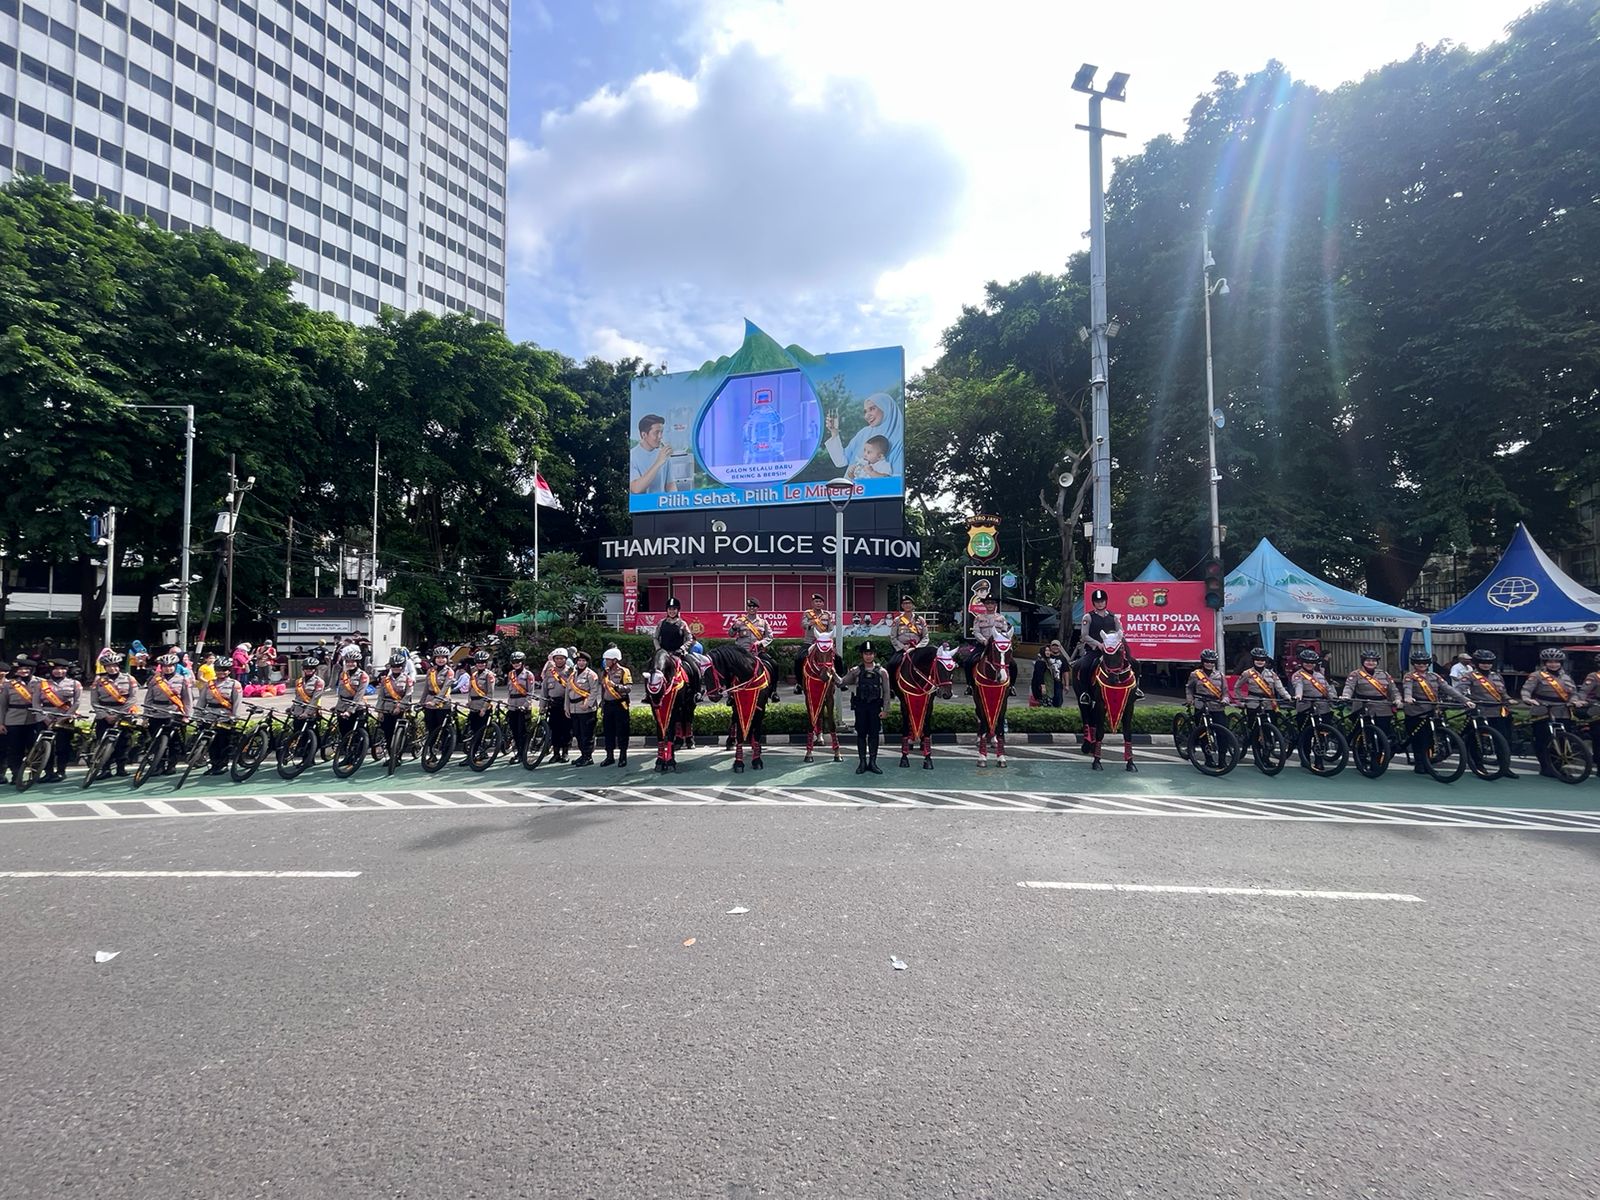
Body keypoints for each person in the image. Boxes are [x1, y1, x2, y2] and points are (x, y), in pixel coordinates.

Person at [1402, 650, 1474, 774]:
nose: (1422, 665)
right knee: (1418, 738)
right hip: (1416, 710)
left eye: (1424, 663)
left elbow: (1448, 689)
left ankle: (1428, 760)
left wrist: (1465, 700)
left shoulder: (1434, 676)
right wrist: (1408, 697)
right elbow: (1407, 688)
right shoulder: (1409, 676)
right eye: (1419, 663)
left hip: (1432, 709)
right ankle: (1419, 762)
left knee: (1430, 737)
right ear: (1414, 664)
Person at [1460, 649, 1520, 776]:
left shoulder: (1496, 676)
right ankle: (1478, 764)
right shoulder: (1469, 676)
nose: (1485, 665)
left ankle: (1504, 767)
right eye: (1482, 662)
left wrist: (1509, 699)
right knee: (1477, 740)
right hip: (1479, 711)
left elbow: (1503, 693)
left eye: (1488, 662)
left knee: (1503, 740)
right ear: (1476, 663)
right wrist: (1466, 700)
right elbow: (1460, 690)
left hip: (1497, 711)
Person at [1521, 647, 1579, 777]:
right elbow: (1526, 690)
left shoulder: (1566, 677)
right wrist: (1527, 699)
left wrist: (1574, 701)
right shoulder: (1536, 676)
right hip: (1542, 709)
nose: (1553, 664)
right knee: (1543, 740)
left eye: (1556, 662)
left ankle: (1559, 766)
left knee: (1563, 740)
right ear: (1544, 663)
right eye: (1550, 662)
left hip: (1562, 710)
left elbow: (1573, 693)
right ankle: (1546, 767)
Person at [836, 641, 891, 774]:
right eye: (866, 654)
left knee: (874, 735)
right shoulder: (856, 671)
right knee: (861, 735)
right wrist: (832, 673)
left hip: (875, 707)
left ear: (874, 655)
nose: (868, 656)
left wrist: (886, 710)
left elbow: (886, 692)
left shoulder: (882, 672)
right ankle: (862, 763)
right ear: (862, 655)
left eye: (870, 653)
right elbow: (841, 682)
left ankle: (872, 762)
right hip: (861, 707)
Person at [825, 391, 904, 476]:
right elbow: (841, 462)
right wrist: (834, 432)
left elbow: (897, 480)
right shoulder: (864, 433)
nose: (866, 416)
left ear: (886, 408)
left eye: (872, 409)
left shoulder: (901, 439)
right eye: (865, 411)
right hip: (853, 488)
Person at [142, 652, 193, 775]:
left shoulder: (182, 680)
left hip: (174, 713)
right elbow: (148, 698)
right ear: (161, 667)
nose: (168, 668)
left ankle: (171, 765)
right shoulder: (155, 680)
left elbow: (187, 699)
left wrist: (187, 716)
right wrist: (146, 715)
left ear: (175, 666)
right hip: (157, 712)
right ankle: (158, 765)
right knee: (156, 741)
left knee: (174, 742)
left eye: (171, 666)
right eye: (165, 666)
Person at [90, 648, 138, 777]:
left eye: (114, 666)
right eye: (108, 666)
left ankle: (121, 768)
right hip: (104, 714)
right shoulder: (98, 681)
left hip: (123, 713)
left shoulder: (129, 679)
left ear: (118, 666)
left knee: (123, 742)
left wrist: (118, 715)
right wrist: (104, 715)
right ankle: (105, 769)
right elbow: (94, 701)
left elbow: (132, 698)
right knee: (103, 742)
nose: (112, 669)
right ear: (105, 667)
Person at [1339, 647, 1401, 743]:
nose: (1371, 663)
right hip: (1363, 706)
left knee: (1383, 734)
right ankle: (1360, 753)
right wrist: (1346, 696)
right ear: (1363, 661)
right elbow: (1349, 687)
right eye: (1368, 660)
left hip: (1382, 707)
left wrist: (1397, 699)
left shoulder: (1384, 674)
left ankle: (1382, 754)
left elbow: (1393, 690)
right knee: (1363, 734)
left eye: (1373, 661)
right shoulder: (1355, 674)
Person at [196, 658, 243, 774]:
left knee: (223, 741)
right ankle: (214, 764)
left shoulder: (234, 684)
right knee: (211, 742)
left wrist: (235, 717)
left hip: (225, 716)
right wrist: (198, 714)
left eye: (224, 670)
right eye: (219, 670)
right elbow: (201, 701)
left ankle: (223, 764)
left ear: (229, 671)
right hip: (209, 714)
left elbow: (237, 702)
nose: (221, 672)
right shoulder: (209, 683)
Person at [727, 598, 778, 701]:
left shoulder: (763, 622)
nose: (751, 608)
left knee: (774, 665)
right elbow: (730, 634)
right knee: (729, 668)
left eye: (754, 606)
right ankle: (730, 694)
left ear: (757, 608)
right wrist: (734, 627)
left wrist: (760, 643)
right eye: (749, 606)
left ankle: (773, 692)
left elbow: (770, 637)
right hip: (741, 653)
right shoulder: (740, 621)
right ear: (747, 608)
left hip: (757, 652)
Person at [565, 649, 600, 766]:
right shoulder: (572, 675)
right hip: (574, 708)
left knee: (587, 734)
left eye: (583, 661)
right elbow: (567, 692)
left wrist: (588, 704)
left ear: (587, 662)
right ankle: (583, 754)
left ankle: (588, 756)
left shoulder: (591, 675)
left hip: (586, 709)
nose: (581, 663)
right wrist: (567, 707)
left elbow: (594, 691)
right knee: (578, 733)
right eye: (579, 660)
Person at [374, 651, 414, 753]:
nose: (396, 668)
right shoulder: (385, 680)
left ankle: (399, 754)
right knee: (388, 732)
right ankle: (390, 753)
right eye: (394, 666)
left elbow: (408, 694)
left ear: (403, 666)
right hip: (387, 707)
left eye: (399, 666)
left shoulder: (407, 679)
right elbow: (381, 696)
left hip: (402, 708)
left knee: (400, 733)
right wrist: (379, 711)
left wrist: (399, 707)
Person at [600, 646, 632, 767]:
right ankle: (609, 756)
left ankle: (623, 756)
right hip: (608, 705)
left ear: (614, 660)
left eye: (608, 659)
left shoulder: (624, 671)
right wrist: (602, 703)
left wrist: (616, 686)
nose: (606, 661)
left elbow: (628, 688)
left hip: (620, 705)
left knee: (622, 731)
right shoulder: (605, 672)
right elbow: (603, 689)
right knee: (608, 731)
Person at [504, 650, 538, 760]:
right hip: (513, 705)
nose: (516, 664)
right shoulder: (511, 674)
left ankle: (522, 753)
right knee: (514, 730)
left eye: (518, 661)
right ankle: (518, 751)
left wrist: (526, 704)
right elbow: (510, 691)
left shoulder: (528, 675)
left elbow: (530, 692)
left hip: (523, 705)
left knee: (521, 731)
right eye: (514, 662)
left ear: (523, 662)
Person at [886, 594, 929, 680]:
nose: (907, 605)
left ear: (913, 605)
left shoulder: (920, 620)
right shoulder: (897, 620)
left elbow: (926, 637)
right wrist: (903, 647)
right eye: (905, 603)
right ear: (902, 606)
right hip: (902, 650)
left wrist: (918, 647)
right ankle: (891, 688)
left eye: (909, 603)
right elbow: (893, 637)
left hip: (917, 649)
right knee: (891, 664)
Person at [332, 646, 370, 743]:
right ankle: (345, 751)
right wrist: (337, 707)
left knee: (357, 733)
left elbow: (359, 694)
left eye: (353, 662)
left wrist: (350, 711)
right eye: (348, 661)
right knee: (344, 731)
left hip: (357, 707)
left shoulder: (363, 675)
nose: (350, 664)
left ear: (357, 663)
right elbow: (340, 692)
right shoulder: (343, 674)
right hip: (343, 705)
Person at [541, 647, 573, 761]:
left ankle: (565, 752)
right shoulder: (549, 672)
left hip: (565, 705)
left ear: (565, 659)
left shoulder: (570, 672)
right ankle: (556, 753)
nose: (559, 660)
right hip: (553, 704)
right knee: (554, 730)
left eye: (562, 659)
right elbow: (544, 690)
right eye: (557, 658)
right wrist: (542, 706)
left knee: (566, 729)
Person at [630, 413, 673, 495]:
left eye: (661, 432)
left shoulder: (664, 455)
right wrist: (658, 462)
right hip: (642, 506)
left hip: (662, 505)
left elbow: (670, 485)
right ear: (644, 435)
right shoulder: (632, 456)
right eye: (656, 433)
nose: (660, 436)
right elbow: (636, 488)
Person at [463, 649, 496, 758]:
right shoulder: (474, 674)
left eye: (483, 662)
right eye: (478, 662)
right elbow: (470, 691)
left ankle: (472, 756)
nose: (480, 664)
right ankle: (480, 752)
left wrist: (484, 708)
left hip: (483, 707)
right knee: (473, 731)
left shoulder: (489, 675)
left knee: (478, 733)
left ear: (486, 663)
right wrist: (469, 703)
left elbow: (490, 694)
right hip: (474, 707)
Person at [1185, 648, 1229, 720]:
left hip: (1216, 705)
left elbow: (1225, 692)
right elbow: (1189, 688)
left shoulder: (1220, 675)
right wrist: (1190, 699)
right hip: (1200, 704)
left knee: (1222, 728)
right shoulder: (1195, 674)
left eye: (1212, 662)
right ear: (1202, 662)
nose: (1209, 664)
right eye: (1207, 662)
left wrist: (1225, 700)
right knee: (1200, 728)